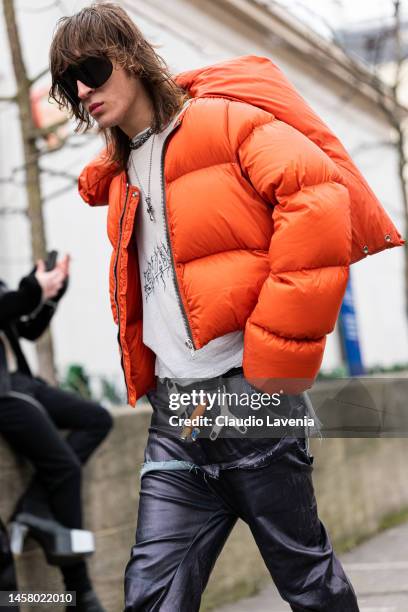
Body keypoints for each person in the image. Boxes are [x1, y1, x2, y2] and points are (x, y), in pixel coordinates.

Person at [49, 3, 403, 610]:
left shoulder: (221, 122)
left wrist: (272, 358)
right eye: (67, 82)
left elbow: (318, 199)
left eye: (91, 68)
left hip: (247, 400)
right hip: (175, 418)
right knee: (150, 596)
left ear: (130, 57)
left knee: (309, 584)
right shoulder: (121, 173)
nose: (83, 90)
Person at [0, 256, 113, 612]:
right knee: (64, 467)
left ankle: (33, 505)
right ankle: (79, 593)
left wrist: (48, 294)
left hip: (21, 384)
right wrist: (33, 289)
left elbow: (26, 327)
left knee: (97, 419)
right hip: (6, 393)